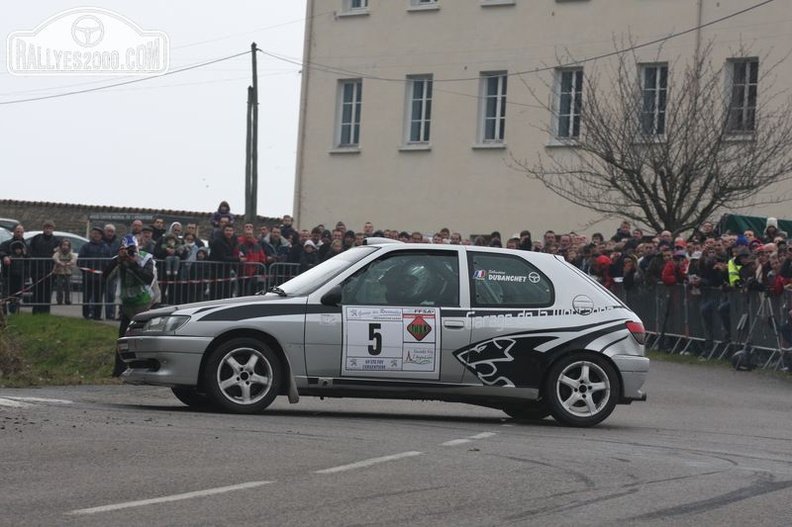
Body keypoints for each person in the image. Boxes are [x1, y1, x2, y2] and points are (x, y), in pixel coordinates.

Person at [103, 234, 159, 376]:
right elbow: (105, 277)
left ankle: (146, 369)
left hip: (145, 304)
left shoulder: (146, 258)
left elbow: (148, 278)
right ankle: (118, 371)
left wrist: (132, 262)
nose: (129, 251)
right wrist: (119, 260)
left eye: (132, 248)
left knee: (143, 339)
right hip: (128, 306)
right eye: (126, 249)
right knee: (123, 340)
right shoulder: (118, 259)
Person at [27, 220, 61, 314]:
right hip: (37, 269)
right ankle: (36, 310)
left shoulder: (57, 240)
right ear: (43, 228)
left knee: (47, 291)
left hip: (50, 270)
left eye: (50, 228)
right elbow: (30, 250)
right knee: (37, 291)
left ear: (53, 229)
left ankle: (45, 311)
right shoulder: (36, 238)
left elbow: (59, 253)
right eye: (46, 227)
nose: (48, 230)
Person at [77, 227, 111, 320]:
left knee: (98, 297)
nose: (96, 235)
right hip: (88, 277)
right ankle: (86, 315)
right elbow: (80, 261)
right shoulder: (86, 247)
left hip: (100, 277)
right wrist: (85, 271)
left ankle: (97, 315)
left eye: (98, 234)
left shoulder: (105, 247)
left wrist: (105, 273)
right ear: (91, 235)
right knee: (86, 297)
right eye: (94, 233)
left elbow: (108, 262)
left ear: (101, 235)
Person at [0, 226, 29, 314]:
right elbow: (1, 251)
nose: (19, 234)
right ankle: (4, 314)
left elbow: (30, 257)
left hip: (20, 275)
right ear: (14, 232)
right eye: (17, 232)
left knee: (17, 297)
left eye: (21, 232)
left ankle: (14, 313)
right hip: (8, 274)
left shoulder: (26, 246)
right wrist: (5, 256)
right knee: (6, 296)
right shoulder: (6, 244)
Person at [103, 224, 121, 320]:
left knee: (111, 294)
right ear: (104, 232)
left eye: (112, 231)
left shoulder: (117, 243)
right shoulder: (100, 242)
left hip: (113, 272)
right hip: (101, 271)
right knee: (96, 294)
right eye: (108, 231)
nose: (110, 233)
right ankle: (94, 313)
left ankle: (110, 314)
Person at [52, 238, 77, 305]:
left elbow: (74, 258)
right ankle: (59, 300)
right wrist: (59, 262)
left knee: (67, 286)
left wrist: (70, 263)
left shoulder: (70, 253)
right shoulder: (58, 252)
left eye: (67, 245)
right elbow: (55, 257)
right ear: (61, 245)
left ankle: (67, 299)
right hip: (59, 271)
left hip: (67, 272)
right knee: (59, 287)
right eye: (64, 245)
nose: (65, 246)